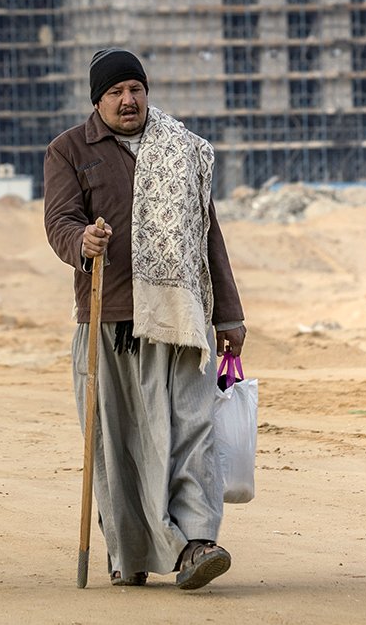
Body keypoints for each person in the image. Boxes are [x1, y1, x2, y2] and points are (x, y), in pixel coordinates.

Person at [44, 47, 247, 590]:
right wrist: (82, 241)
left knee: (191, 429)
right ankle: (130, 551)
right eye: (116, 92)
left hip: (181, 316)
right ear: (97, 100)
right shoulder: (69, 151)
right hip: (108, 319)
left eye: (136, 89)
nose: (128, 100)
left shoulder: (182, 149)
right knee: (120, 441)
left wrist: (229, 314)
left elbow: (209, 236)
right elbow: (60, 222)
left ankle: (198, 541)